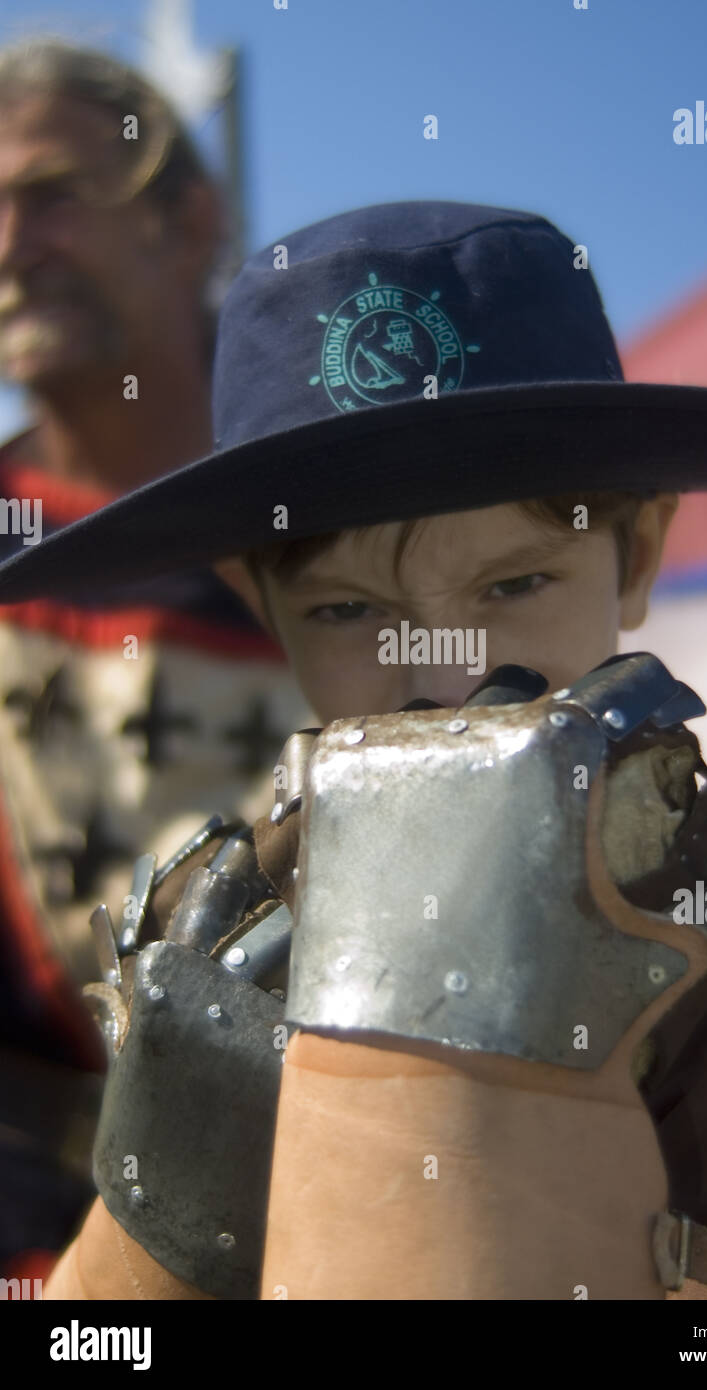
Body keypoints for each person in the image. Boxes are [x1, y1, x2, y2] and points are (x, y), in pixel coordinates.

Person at [2, 199, 707, 1300]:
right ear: (259, 605)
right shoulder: (230, 938)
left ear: (637, 548)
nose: (444, 673)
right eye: (349, 609)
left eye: (513, 584)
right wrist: (164, 1223)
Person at [0, 38, 311, 1284]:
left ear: (190, 219)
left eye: (53, 195)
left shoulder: (344, 543)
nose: (11, 240)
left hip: (319, 1191)